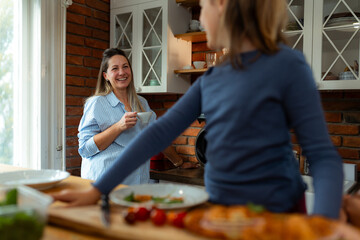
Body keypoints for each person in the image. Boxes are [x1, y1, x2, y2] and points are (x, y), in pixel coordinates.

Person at [52, 0, 343, 219]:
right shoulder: (213, 78)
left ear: (222, 6)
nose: (202, 17)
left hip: (278, 213)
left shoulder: (289, 66)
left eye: (204, 7)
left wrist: (325, 224)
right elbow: (156, 136)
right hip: (221, 213)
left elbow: (322, 155)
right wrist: (97, 189)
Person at [78, 48, 195, 184]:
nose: (122, 72)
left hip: (136, 182)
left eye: (125, 67)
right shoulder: (97, 103)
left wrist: (179, 162)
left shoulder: (142, 103)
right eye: (115, 68)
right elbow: (85, 149)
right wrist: (118, 127)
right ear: (106, 76)